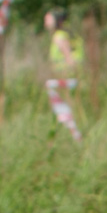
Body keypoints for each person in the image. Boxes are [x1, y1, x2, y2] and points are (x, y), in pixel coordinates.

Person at [44, 9, 84, 140]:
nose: (45, 22)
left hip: (65, 77)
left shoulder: (59, 36)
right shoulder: (69, 34)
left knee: (65, 108)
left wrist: (69, 73)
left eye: (48, 19)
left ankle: (72, 135)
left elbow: (68, 57)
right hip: (71, 76)